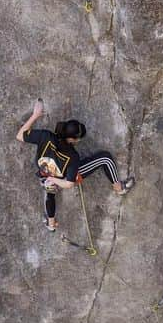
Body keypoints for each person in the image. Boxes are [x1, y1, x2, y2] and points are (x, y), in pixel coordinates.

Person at [16, 99, 135, 231]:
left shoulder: (45, 136)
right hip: (61, 178)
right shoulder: (72, 156)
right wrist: (55, 179)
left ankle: (51, 223)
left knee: (50, 188)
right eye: (78, 138)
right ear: (72, 139)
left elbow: (20, 135)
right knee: (105, 158)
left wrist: (36, 115)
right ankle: (119, 188)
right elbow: (70, 183)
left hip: (44, 173)